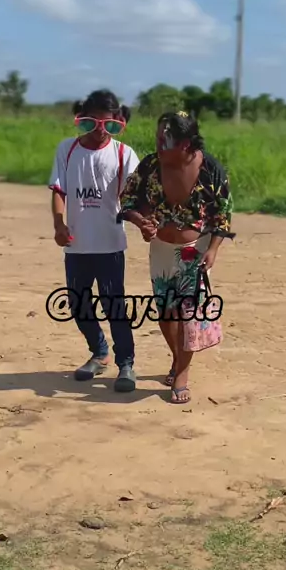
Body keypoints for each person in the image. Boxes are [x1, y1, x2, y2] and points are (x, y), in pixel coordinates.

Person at [118, 111, 235, 404]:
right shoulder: (150, 166)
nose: (158, 144)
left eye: (165, 140)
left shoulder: (211, 169)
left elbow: (223, 214)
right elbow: (127, 199)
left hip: (195, 250)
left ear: (185, 143)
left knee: (188, 316)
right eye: (157, 138)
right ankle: (177, 357)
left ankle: (182, 373)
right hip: (161, 249)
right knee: (166, 313)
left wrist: (213, 250)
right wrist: (140, 221)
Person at [49, 89, 140, 392]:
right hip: (77, 245)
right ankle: (99, 353)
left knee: (114, 307)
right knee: (78, 304)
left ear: (118, 122)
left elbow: (134, 199)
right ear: (82, 119)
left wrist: (143, 221)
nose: (100, 131)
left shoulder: (124, 154)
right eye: (92, 123)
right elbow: (59, 190)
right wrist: (59, 224)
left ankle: (125, 363)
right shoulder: (67, 150)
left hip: (110, 245)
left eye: (109, 125)